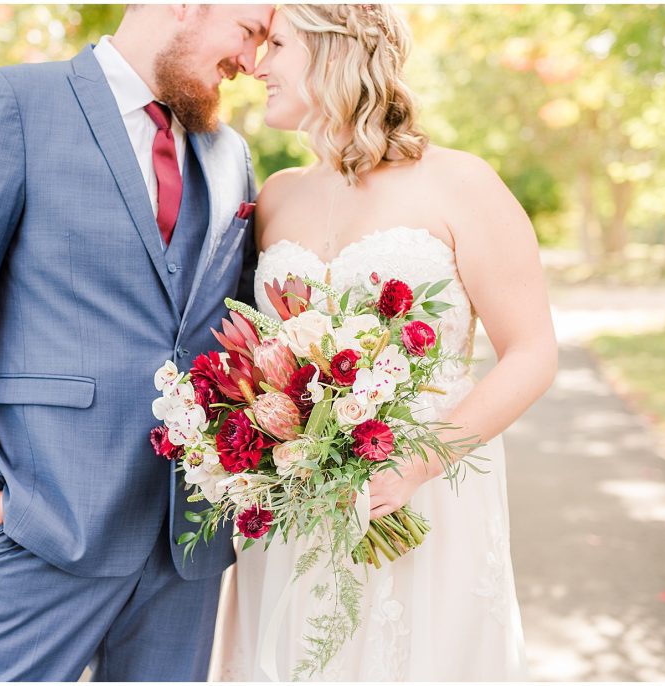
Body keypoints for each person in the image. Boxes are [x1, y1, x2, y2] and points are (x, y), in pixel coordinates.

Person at [0, 4, 274, 681]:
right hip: (41, 523)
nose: (252, 63)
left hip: (187, 541)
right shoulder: (16, 103)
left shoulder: (231, 153)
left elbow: (239, 323)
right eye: (248, 32)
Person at [210, 4, 557, 680]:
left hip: (427, 496)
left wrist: (415, 467)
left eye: (277, 44)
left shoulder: (463, 183)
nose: (257, 65)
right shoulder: (277, 195)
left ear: (337, 50)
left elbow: (533, 352)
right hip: (299, 510)